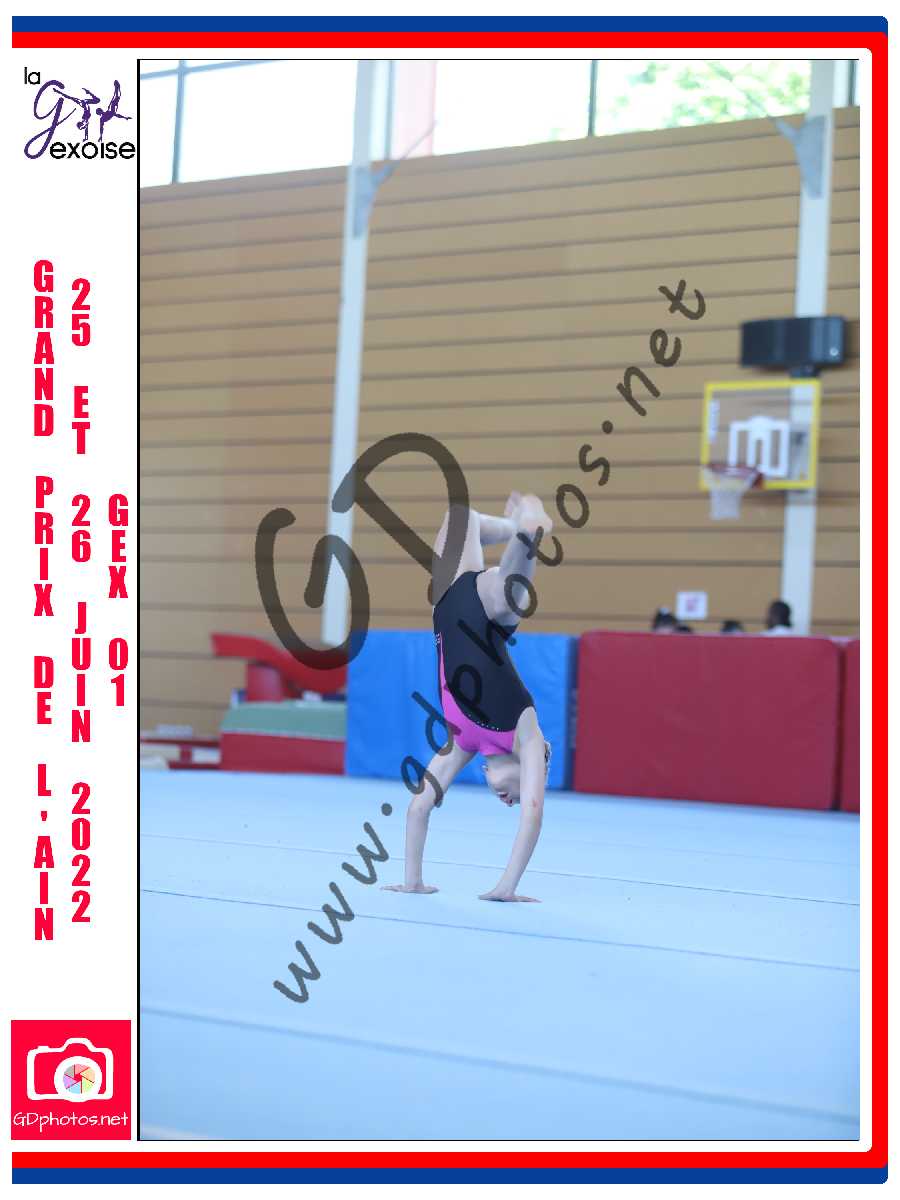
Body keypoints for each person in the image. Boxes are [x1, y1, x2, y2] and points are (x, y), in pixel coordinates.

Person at [383, 492, 552, 903]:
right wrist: (507, 888)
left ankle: (514, 528)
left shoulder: (461, 741)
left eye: (510, 802)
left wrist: (412, 881)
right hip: (491, 615)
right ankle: (527, 523)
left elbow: (419, 807)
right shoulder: (526, 735)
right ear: (533, 769)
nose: (510, 802)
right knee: (513, 586)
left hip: (449, 599)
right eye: (515, 796)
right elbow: (533, 814)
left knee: (461, 517)